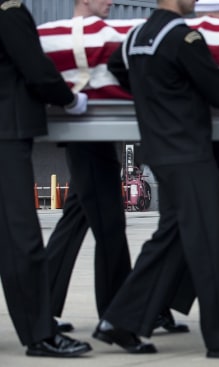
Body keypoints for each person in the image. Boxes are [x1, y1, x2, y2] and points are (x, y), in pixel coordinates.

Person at [99, 0, 219, 358]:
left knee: (170, 238)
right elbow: (214, 82)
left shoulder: (136, 37)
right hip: (190, 151)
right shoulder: (181, 37)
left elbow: (117, 66)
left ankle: (120, 320)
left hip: (160, 149)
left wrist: (154, 96)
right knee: (210, 245)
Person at [43, 0, 188, 335]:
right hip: (87, 139)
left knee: (76, 220)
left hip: (93, 137)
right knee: (109, 228)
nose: (109, 1)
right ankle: (119, 311)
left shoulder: (101, 34)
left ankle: (43, 306)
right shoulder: (77, 36)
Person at [0, 0, 91, 357]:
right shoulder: (9, 10)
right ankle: (40, 334)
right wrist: (67, 99)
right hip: (6, 134)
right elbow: (35, 69)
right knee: (21, 239)